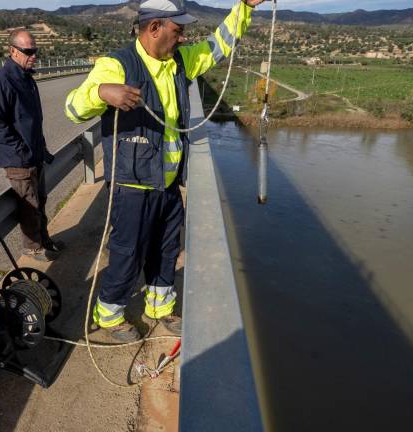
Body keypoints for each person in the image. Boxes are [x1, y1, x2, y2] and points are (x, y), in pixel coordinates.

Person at [65, 0, 265, 341]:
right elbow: (73, 107)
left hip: (169, 184)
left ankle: (159, 307)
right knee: (128, 254)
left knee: (166, 250)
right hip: (132, 186)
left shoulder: (179, 62)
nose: (184, 38)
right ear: (154, 28)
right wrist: (102, 92)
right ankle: (109, 314)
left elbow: (218, 45)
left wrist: (244, 6)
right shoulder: (116, 65)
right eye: (178, 30)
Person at [0, 29, 63, 262]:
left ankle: (45, 240)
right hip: (19, 159)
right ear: (13, 51)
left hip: (34, 154)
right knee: (29, 205)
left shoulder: (26, 78)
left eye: (35, 51)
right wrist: (20, 149)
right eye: (28, 51)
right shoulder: (3, 81)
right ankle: (33, 247)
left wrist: (38, 148)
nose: (33, 56)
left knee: (41, 201)